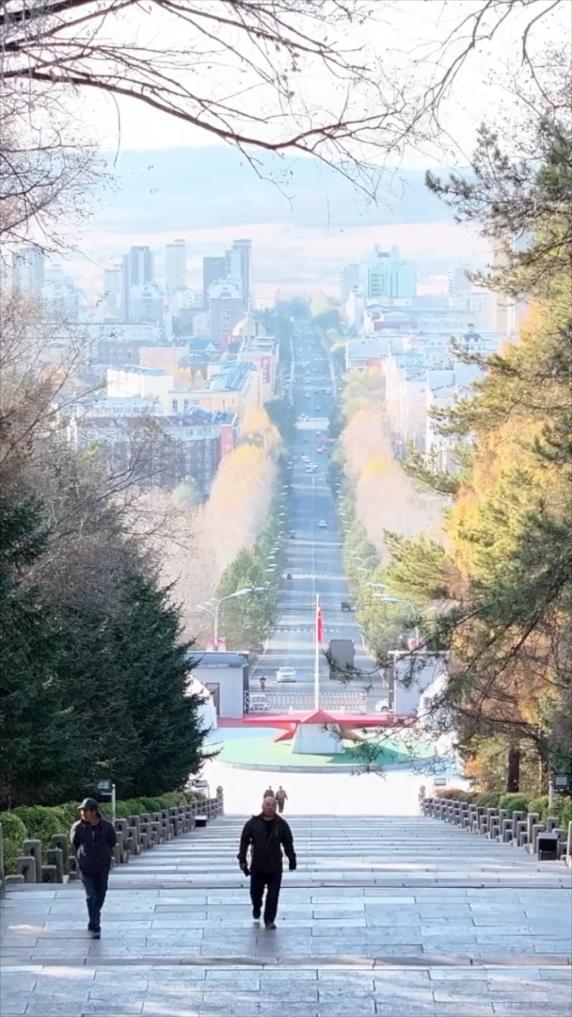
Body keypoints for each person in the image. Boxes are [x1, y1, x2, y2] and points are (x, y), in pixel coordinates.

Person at [237, 795, 296, 930]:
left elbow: (288, 843)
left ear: (276, 807)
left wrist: (292, 859)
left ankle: (269, 920)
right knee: (255, 893)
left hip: (275, 866)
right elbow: (244, 841)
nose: (270, 808)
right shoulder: (253, 823)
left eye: (273, 805)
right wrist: (242, 859)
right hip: (258, 866)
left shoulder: (281, 824)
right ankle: (257, 906)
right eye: (268, 805)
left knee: (273, 895)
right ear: (262, 806)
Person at [70, 797, 117, 939]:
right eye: (82, 811)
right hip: (86, 867)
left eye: (86, 810)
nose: (83, 813)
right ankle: (96, 925)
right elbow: (75, 843)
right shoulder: (78, 827)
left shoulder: (107, 827)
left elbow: (112, 841)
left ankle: (93, 918)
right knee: (91, 896)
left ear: (94, 812)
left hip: (102, 866)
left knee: (101, 894)